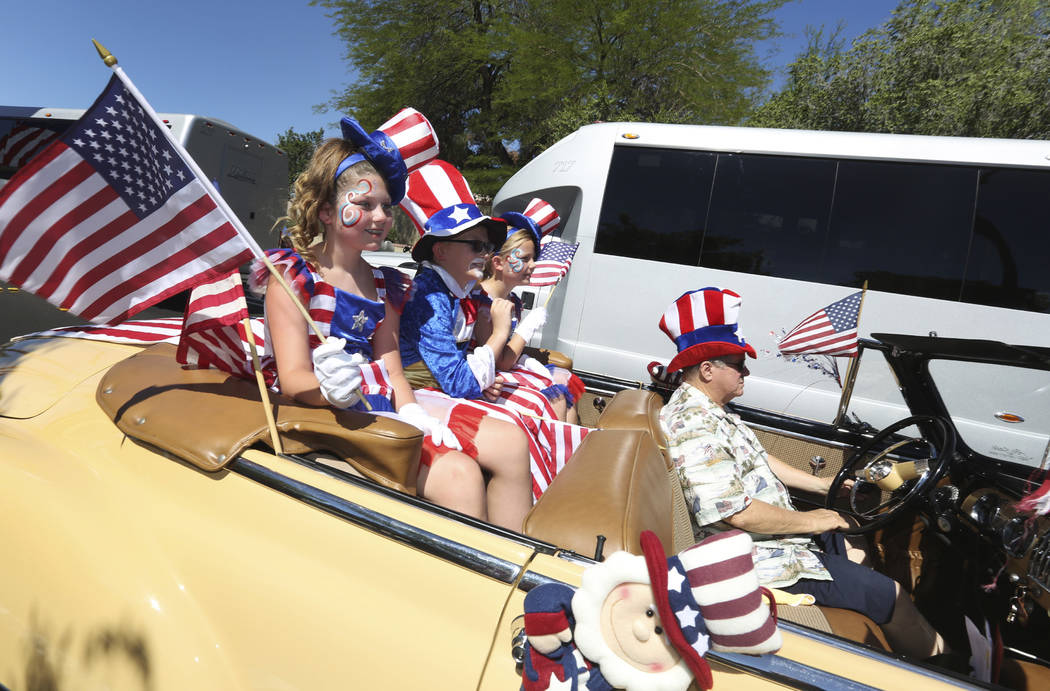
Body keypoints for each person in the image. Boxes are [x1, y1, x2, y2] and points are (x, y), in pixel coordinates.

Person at [254, 110, 527, 531]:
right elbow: (292, 380)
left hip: (375, 400)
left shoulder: (386, 284)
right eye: (364, 204)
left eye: (386, 205)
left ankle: (521, 560)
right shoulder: (291, 277)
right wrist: (330, 390)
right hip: (315, 411)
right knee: (459, 476)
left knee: (508, 441)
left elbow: (393, 370)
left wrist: (415, 414)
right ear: (327, 211)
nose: (381, 216)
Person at [656, 287, 947, 660]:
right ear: (708, 369)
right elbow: (734, 513)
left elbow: (758, 459)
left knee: (853, 536)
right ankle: (940, 668)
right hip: (760, 559)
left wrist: (823, 485)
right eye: (738, 362)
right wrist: (812, 520)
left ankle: (873, 637)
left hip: (772, 543)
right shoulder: (694, 424)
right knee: (892, 593)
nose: (747, 369)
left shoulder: (712, 411)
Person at [396, 158, 534, 525]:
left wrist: (484, 370)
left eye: (487, 246)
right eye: (475, 245)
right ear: (440, 251)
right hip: (414, 394)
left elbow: (465, 370)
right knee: (511, 443)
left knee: (532, 414)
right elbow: (459, 382)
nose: (486, 255)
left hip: (436, 390)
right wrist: (503, 333)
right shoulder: (427, 295)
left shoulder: (455, 292)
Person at [471, 198, 581, 423]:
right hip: (485, 379)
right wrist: (526, 328)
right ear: (498, 263)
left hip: (505, 370)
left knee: (564, 379)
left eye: (534, 259)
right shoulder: (483, 301)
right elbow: (499, 361)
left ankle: (567, 451)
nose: (532, 265)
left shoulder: (514, 301)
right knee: (557, 399)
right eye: (524, 259)